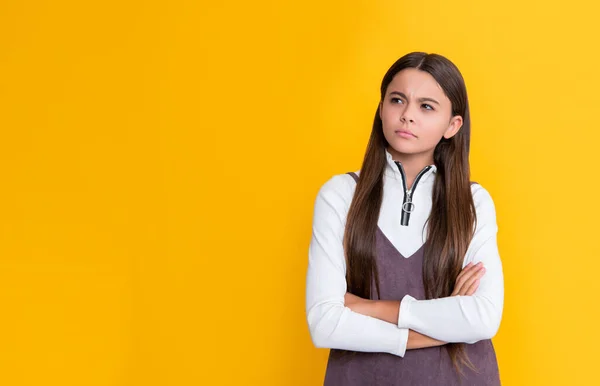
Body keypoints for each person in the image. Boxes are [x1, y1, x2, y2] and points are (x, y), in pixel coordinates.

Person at [305, 52, 504, 385]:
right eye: (397, 100)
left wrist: (368, 307)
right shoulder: (339, 195)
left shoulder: (473, 202)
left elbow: (483, 319)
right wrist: (444, 324)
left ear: (452, 125)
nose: (407, 115)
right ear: (382, 108)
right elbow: (324, 323)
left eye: (426, 106)